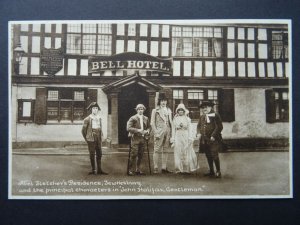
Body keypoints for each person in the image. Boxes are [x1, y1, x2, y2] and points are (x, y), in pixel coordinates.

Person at [197, 100, 223, 178]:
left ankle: (218, 171)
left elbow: (219, 126)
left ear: (210, 107)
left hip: (213, 139)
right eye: (203, 107)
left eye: (206, 107)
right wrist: (198, 133)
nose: (204, 109)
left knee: (214, 154)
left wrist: (213, 135)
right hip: (204, 139)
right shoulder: (202, 116)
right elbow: (198, 126)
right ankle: (211, 171)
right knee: (208, 155)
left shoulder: (215, 115)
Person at [171, 104, 198, 174]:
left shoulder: (188, 119)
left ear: (184, 111)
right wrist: (173, 139)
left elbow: (190, 129)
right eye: (179, 110)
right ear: (177, 111)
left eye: (182, 110)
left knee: (186, 151)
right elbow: (173, 130)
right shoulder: (175, 119)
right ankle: (178, 169)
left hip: (186, 135)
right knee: (178, 151)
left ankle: (186, 169)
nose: (180, 111)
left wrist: (190, 138)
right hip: (178, 135)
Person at [81, 102, 108, 175]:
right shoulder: (87, 119)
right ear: (91, 110)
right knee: (92, 154)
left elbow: (100, 128)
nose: (95, 110)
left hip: (98, 137)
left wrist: (100, 136)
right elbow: (83, 131)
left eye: (96, 108)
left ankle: (99, 170)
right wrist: (87, 139)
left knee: (99, 153)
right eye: (93, 108)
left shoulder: (99, 118)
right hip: (91, 138)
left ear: (98, 110)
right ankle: (93, 170)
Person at [150, 93, 173, 174]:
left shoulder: (169, 110)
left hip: (168, 131)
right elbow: (152, 123)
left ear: (167, 102)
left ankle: (164, 167)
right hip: (159, 132)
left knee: (166, 150)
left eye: (165, 101)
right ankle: (155, 167)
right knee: (156, 149)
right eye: (162, 101)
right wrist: (156, 133)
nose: (163, 102)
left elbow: (171, 122)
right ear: (159, 102)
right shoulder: (155, 110)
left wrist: (171, 134)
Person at [126, 104, 150, 176]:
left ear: (144, 110)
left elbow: (149, 127)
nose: (140, 110)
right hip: (135, 138)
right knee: (134, 154)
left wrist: (147, 131)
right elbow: (128, 128)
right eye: (139, 109)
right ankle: (130, 170)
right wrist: (138, 130)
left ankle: (138, 169)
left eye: (142, 109)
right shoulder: (133, 118)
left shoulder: (146, 118)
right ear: (137, 110)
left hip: (143, 138)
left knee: (141, 154)